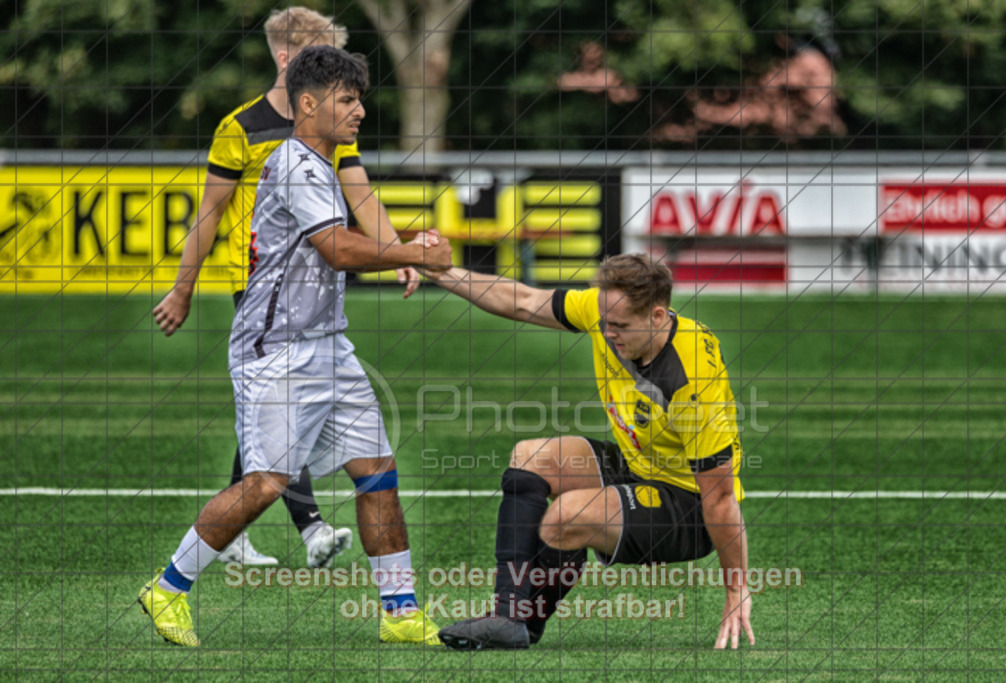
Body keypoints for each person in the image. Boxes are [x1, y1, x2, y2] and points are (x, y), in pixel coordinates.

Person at [138, 45, 453, 648]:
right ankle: (168, 588)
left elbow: (350, 236)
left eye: (360, 98)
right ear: (307, 104)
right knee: (264, 486)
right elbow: (338, 249)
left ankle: (401, 612)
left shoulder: (323, 162)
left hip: (330, 347)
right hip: (277, 353)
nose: (359, 110)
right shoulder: (295, 165)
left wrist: (403, 247)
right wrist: (414, 252)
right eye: (346, 99)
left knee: (377, 474)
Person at [152, 7, 417, 568]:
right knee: (282, 427)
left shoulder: (333, 127)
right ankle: (299, 530)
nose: (340, 83)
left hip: (319, 302)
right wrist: (183, 288)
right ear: (285, 58)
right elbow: (210, 213)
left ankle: (385, 595)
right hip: (262, 294)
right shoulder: (241, 128)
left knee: (287, 428)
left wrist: (395, 253)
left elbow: (361, 194)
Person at [424, 254, 755, 650]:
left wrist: (737, 589)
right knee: (530, 457)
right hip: (641, 464)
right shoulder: (606, 310)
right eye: (603, 323)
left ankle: (525, 624)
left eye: (619, 327)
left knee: (566, 516)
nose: (607, 333)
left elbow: (719, 497)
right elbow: (524, 301)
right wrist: (442, 272)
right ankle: (507, 616)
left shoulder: (690, 381)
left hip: (688, 507)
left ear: (657, 315)